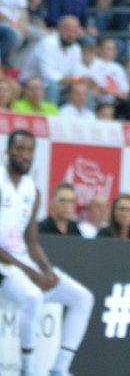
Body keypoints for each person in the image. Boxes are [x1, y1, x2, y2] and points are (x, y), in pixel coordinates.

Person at [0, 129, 94, 376]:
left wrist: (48, 271)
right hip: (3, 267)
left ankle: (59, 368)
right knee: (33, 295)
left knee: (83, 298)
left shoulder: (32, 190)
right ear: (7, 151)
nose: (25, 155)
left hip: (20, 262)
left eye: (30, 150)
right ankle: (28, 369)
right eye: (19, 148)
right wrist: (32, 273)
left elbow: (31, 241)